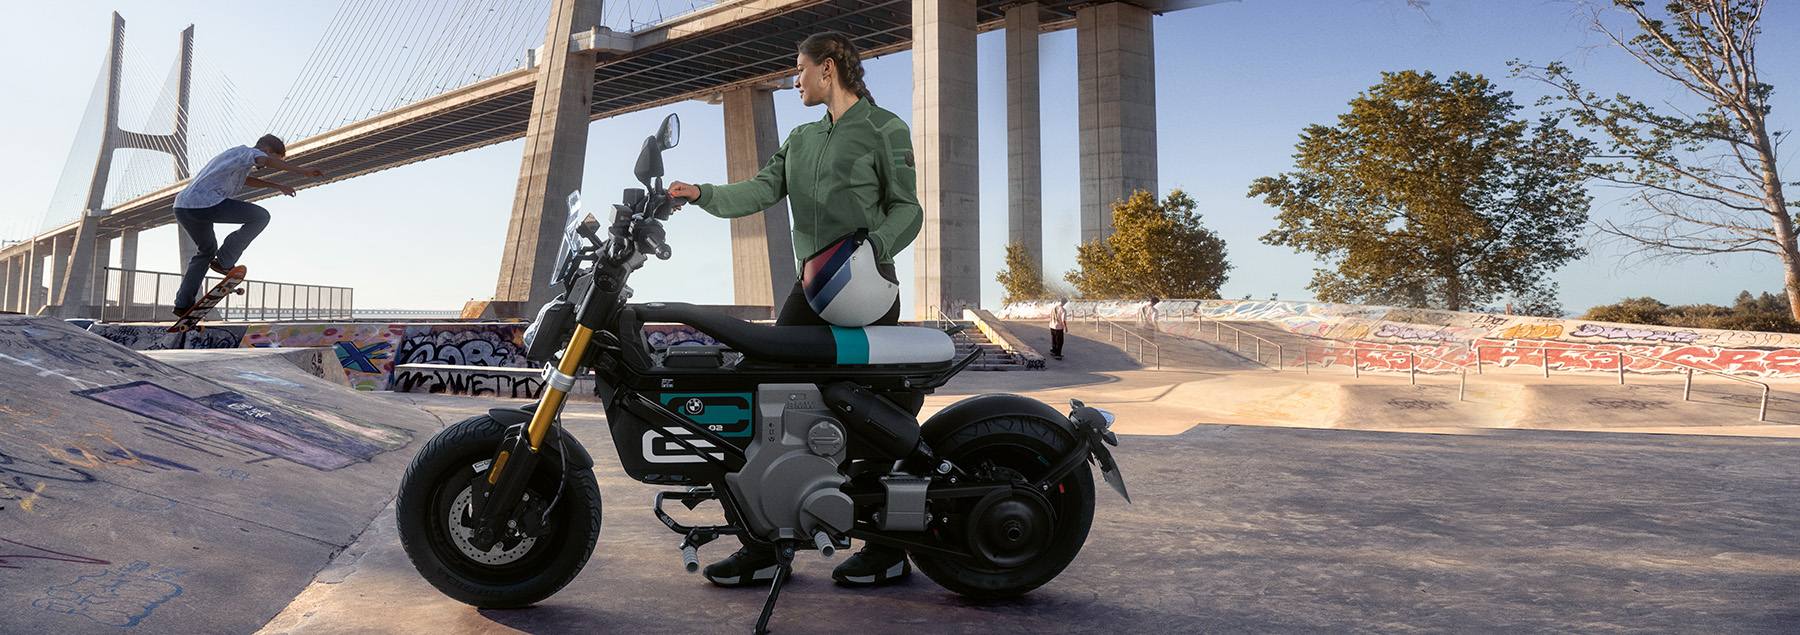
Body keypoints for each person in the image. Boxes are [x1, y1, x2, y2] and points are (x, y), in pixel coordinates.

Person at [667, 31, 922, 589]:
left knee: (870, 416)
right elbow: (760, 190)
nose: (794, 80)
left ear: (828, 69)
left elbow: (908, 210)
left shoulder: (885, 129)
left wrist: (874, 248)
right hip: (810, 292)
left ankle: (886, 549)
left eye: (800, 70)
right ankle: (763, 546)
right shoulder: (802, 139)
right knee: (763, 404)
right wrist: (702, 193)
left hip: (865, 291)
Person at [169, 134, 324, 315]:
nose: (264, 166)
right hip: (206, 203)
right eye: (272, 159)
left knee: (206, 252)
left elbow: (246, 180)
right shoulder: (249, 152)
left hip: (183, 207)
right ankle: (224, 261)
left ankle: (182, 305)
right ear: (266, 150)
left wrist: (276, 186)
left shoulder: (237, 158)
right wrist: (303, 171)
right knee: (260, 216)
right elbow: (264, 159)